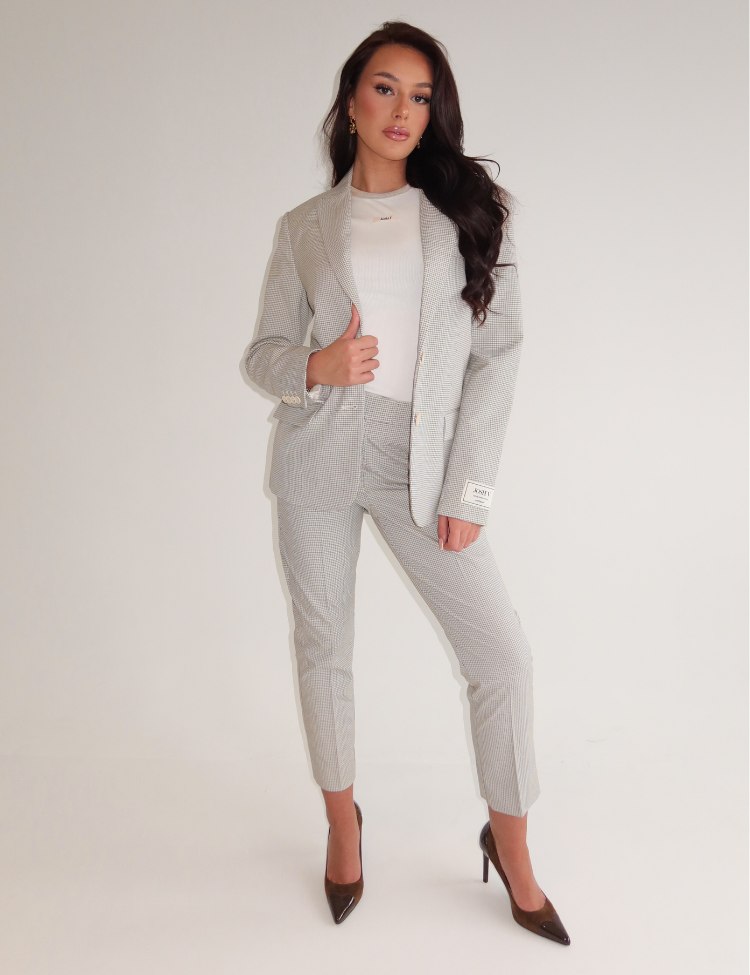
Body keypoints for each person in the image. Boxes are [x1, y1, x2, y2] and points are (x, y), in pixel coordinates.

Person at [243, 21, 570, 944]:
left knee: (502, 656)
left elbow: (498, 356)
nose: (402, 110)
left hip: (419, 464)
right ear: (352, 102)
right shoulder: (304, 228)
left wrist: (470, 492)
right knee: (324, 647)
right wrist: (315, 366)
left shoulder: (467, 214)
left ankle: (512, 845)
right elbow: (262, 354)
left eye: (421, 96)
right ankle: (343, 823)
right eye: (385, 89)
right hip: (317, 453)